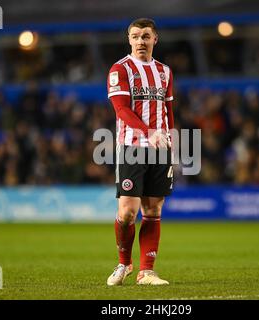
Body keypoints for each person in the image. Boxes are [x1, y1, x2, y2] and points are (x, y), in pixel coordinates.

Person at [106, 18, 175, 286]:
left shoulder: (165, 72)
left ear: (155, 39)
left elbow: (168, 107)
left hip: (160, 147)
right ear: (129, 39)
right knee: (126, 212)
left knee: (153, 209)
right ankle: (124, 263)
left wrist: (170, 136)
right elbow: (121, 109)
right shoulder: (119, 69)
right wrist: (148, 132)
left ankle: (147, 271)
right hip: (132, 147)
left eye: (145, 36)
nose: (140, 41)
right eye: (135, 36)